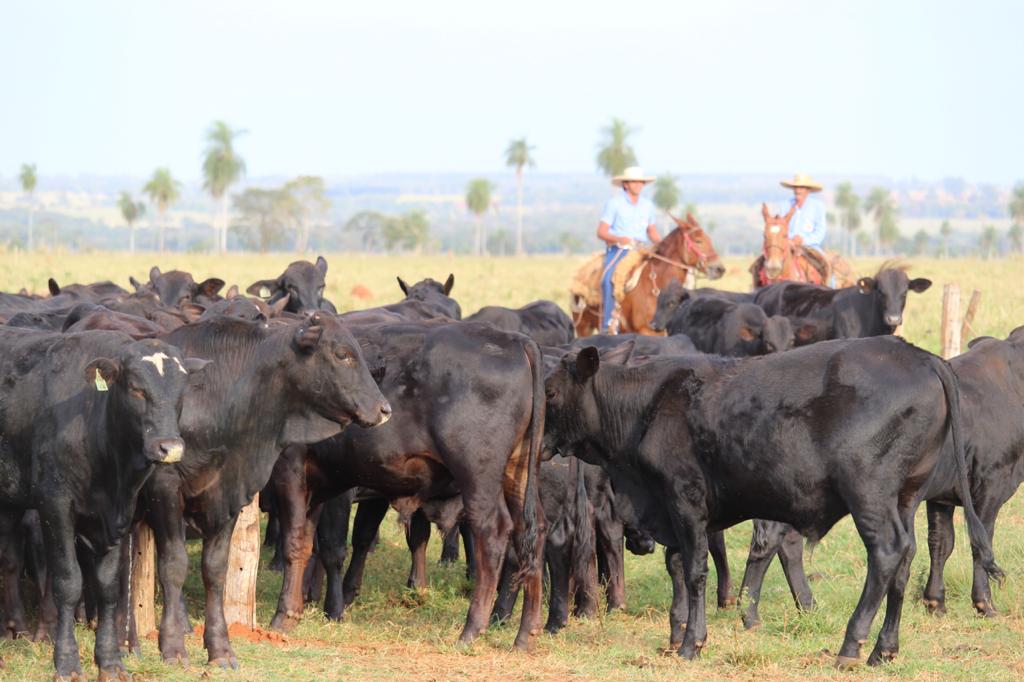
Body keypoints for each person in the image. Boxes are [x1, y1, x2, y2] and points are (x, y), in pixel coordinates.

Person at [596, 166, 661, 332]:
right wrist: (620, 239)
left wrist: (662, 245)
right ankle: (608, 324)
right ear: (625, 184)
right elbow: (602, 231)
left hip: (642, 249)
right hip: (620, 250)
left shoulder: (647, 205)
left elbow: (651, 231)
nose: (639, 185)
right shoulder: (614, 204)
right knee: (609, 279)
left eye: (641, 182)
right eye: (635, 182)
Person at [779, 173, 827, 252]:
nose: (798, 191)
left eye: (801, 188)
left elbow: (820, 231)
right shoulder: (785, 205)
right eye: (796, 187)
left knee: (823, 263)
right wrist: (790, 240)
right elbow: (780, 228)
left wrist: (803, 241)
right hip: (787, 246)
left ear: (808, 190)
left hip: (811, 247)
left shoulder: (817, 206)